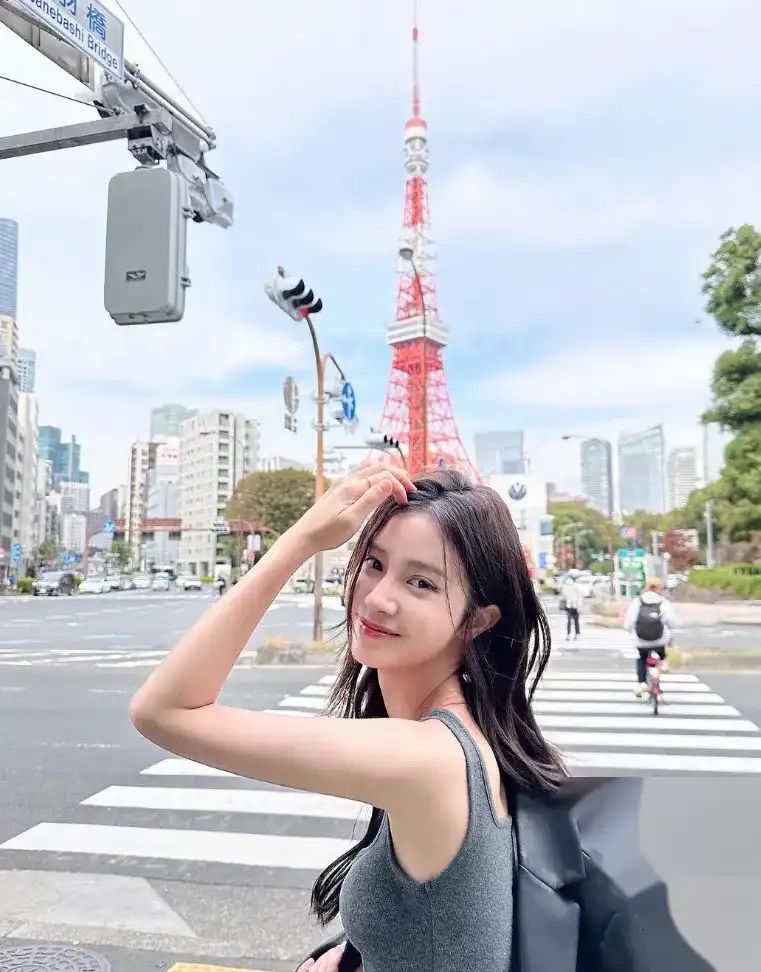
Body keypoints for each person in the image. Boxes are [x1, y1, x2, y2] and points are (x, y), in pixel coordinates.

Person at [129, 459, 567, 972]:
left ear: (477, 620)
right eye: (374, 563)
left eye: (421, 583)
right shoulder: (452, 737)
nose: (377, 598)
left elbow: (163, 711)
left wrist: (301, 540)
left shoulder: (431, 758)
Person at [624, 577, 678, 696]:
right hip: (660, 640)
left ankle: (641, 683)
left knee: (642, 658)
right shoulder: (664, 602)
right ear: (659, 588)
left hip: (641, 639)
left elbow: (629, 622)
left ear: (646, 587)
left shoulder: (637, 602)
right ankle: (663, 664)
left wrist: (629, 630)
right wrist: (671, 630)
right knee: (661, 652)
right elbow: (672, 622)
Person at [561, 570, 583, 640]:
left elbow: (563, 597)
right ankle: (576, 634)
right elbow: (579, 597)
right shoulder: (576, 586)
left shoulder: (565, 587)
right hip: (575, 606)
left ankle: (568, 635)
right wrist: (579, 606)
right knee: (576, 621)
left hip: (568, 606)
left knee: (569, 621)